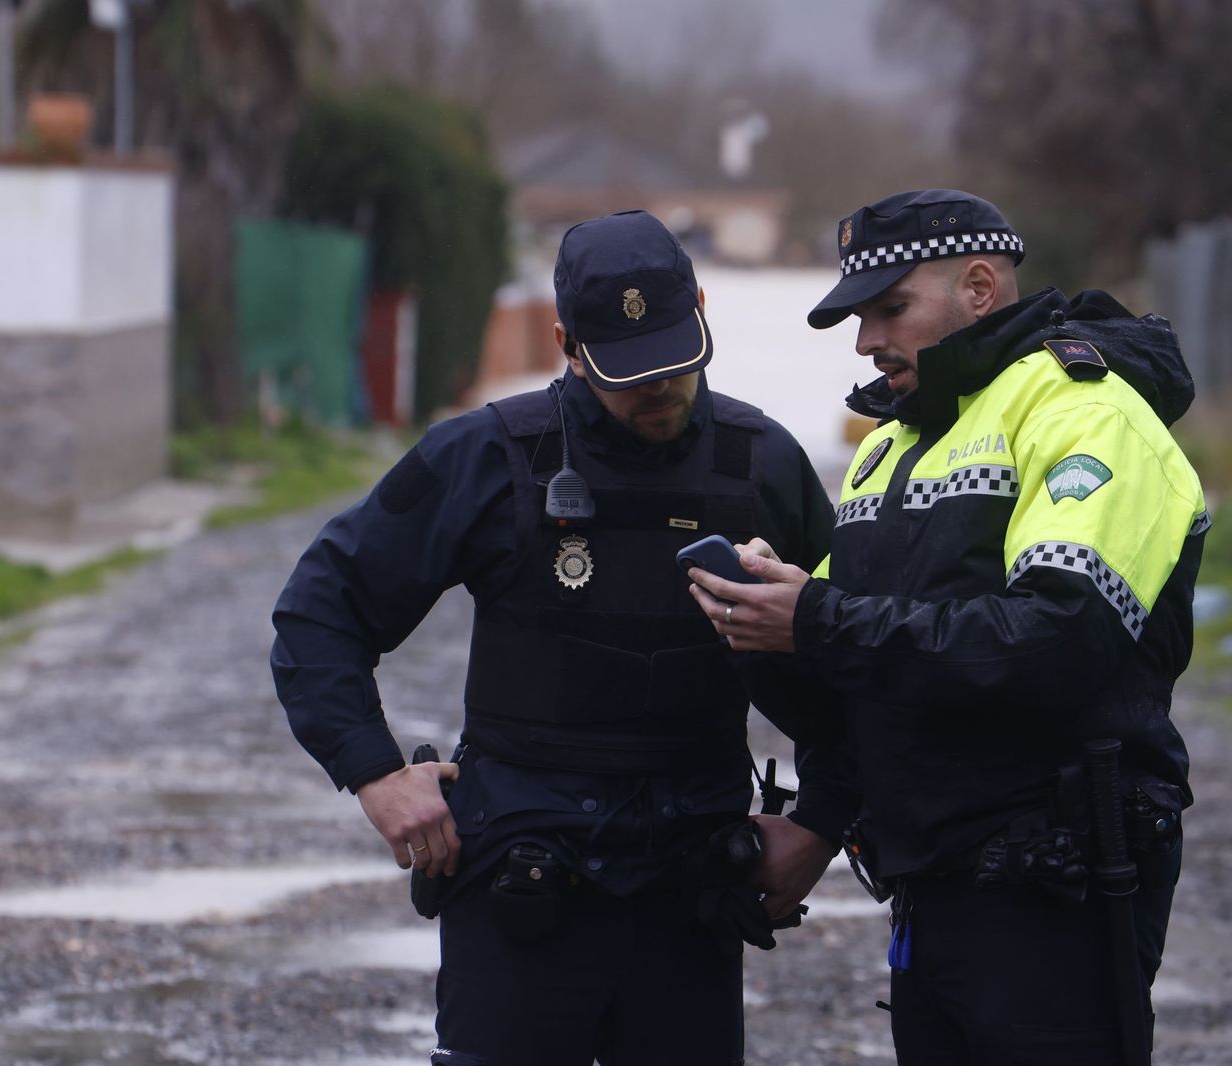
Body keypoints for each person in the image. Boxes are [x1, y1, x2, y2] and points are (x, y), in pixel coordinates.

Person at [271, 209, 847, 1066]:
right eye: (628, 371)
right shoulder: (489, 457)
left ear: (699, 308)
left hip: (688, 893)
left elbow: (859, 661)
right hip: (520, 886)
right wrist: (375, 774)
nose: (658, 387)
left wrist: (821, 824)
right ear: (566, 343)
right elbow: (321, 608)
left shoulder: (761, 465)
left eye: (673, 360)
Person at [687, 189, 1207, 1065]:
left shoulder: (1087, 414)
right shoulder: (894, 443)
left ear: (977, 287)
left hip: (1057, 887)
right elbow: (853, 673)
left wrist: (815, 619)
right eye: (858, 315)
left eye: (890, 309)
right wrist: (759, 615)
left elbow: (1058, 642)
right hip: (933, 886)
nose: (865, 341)